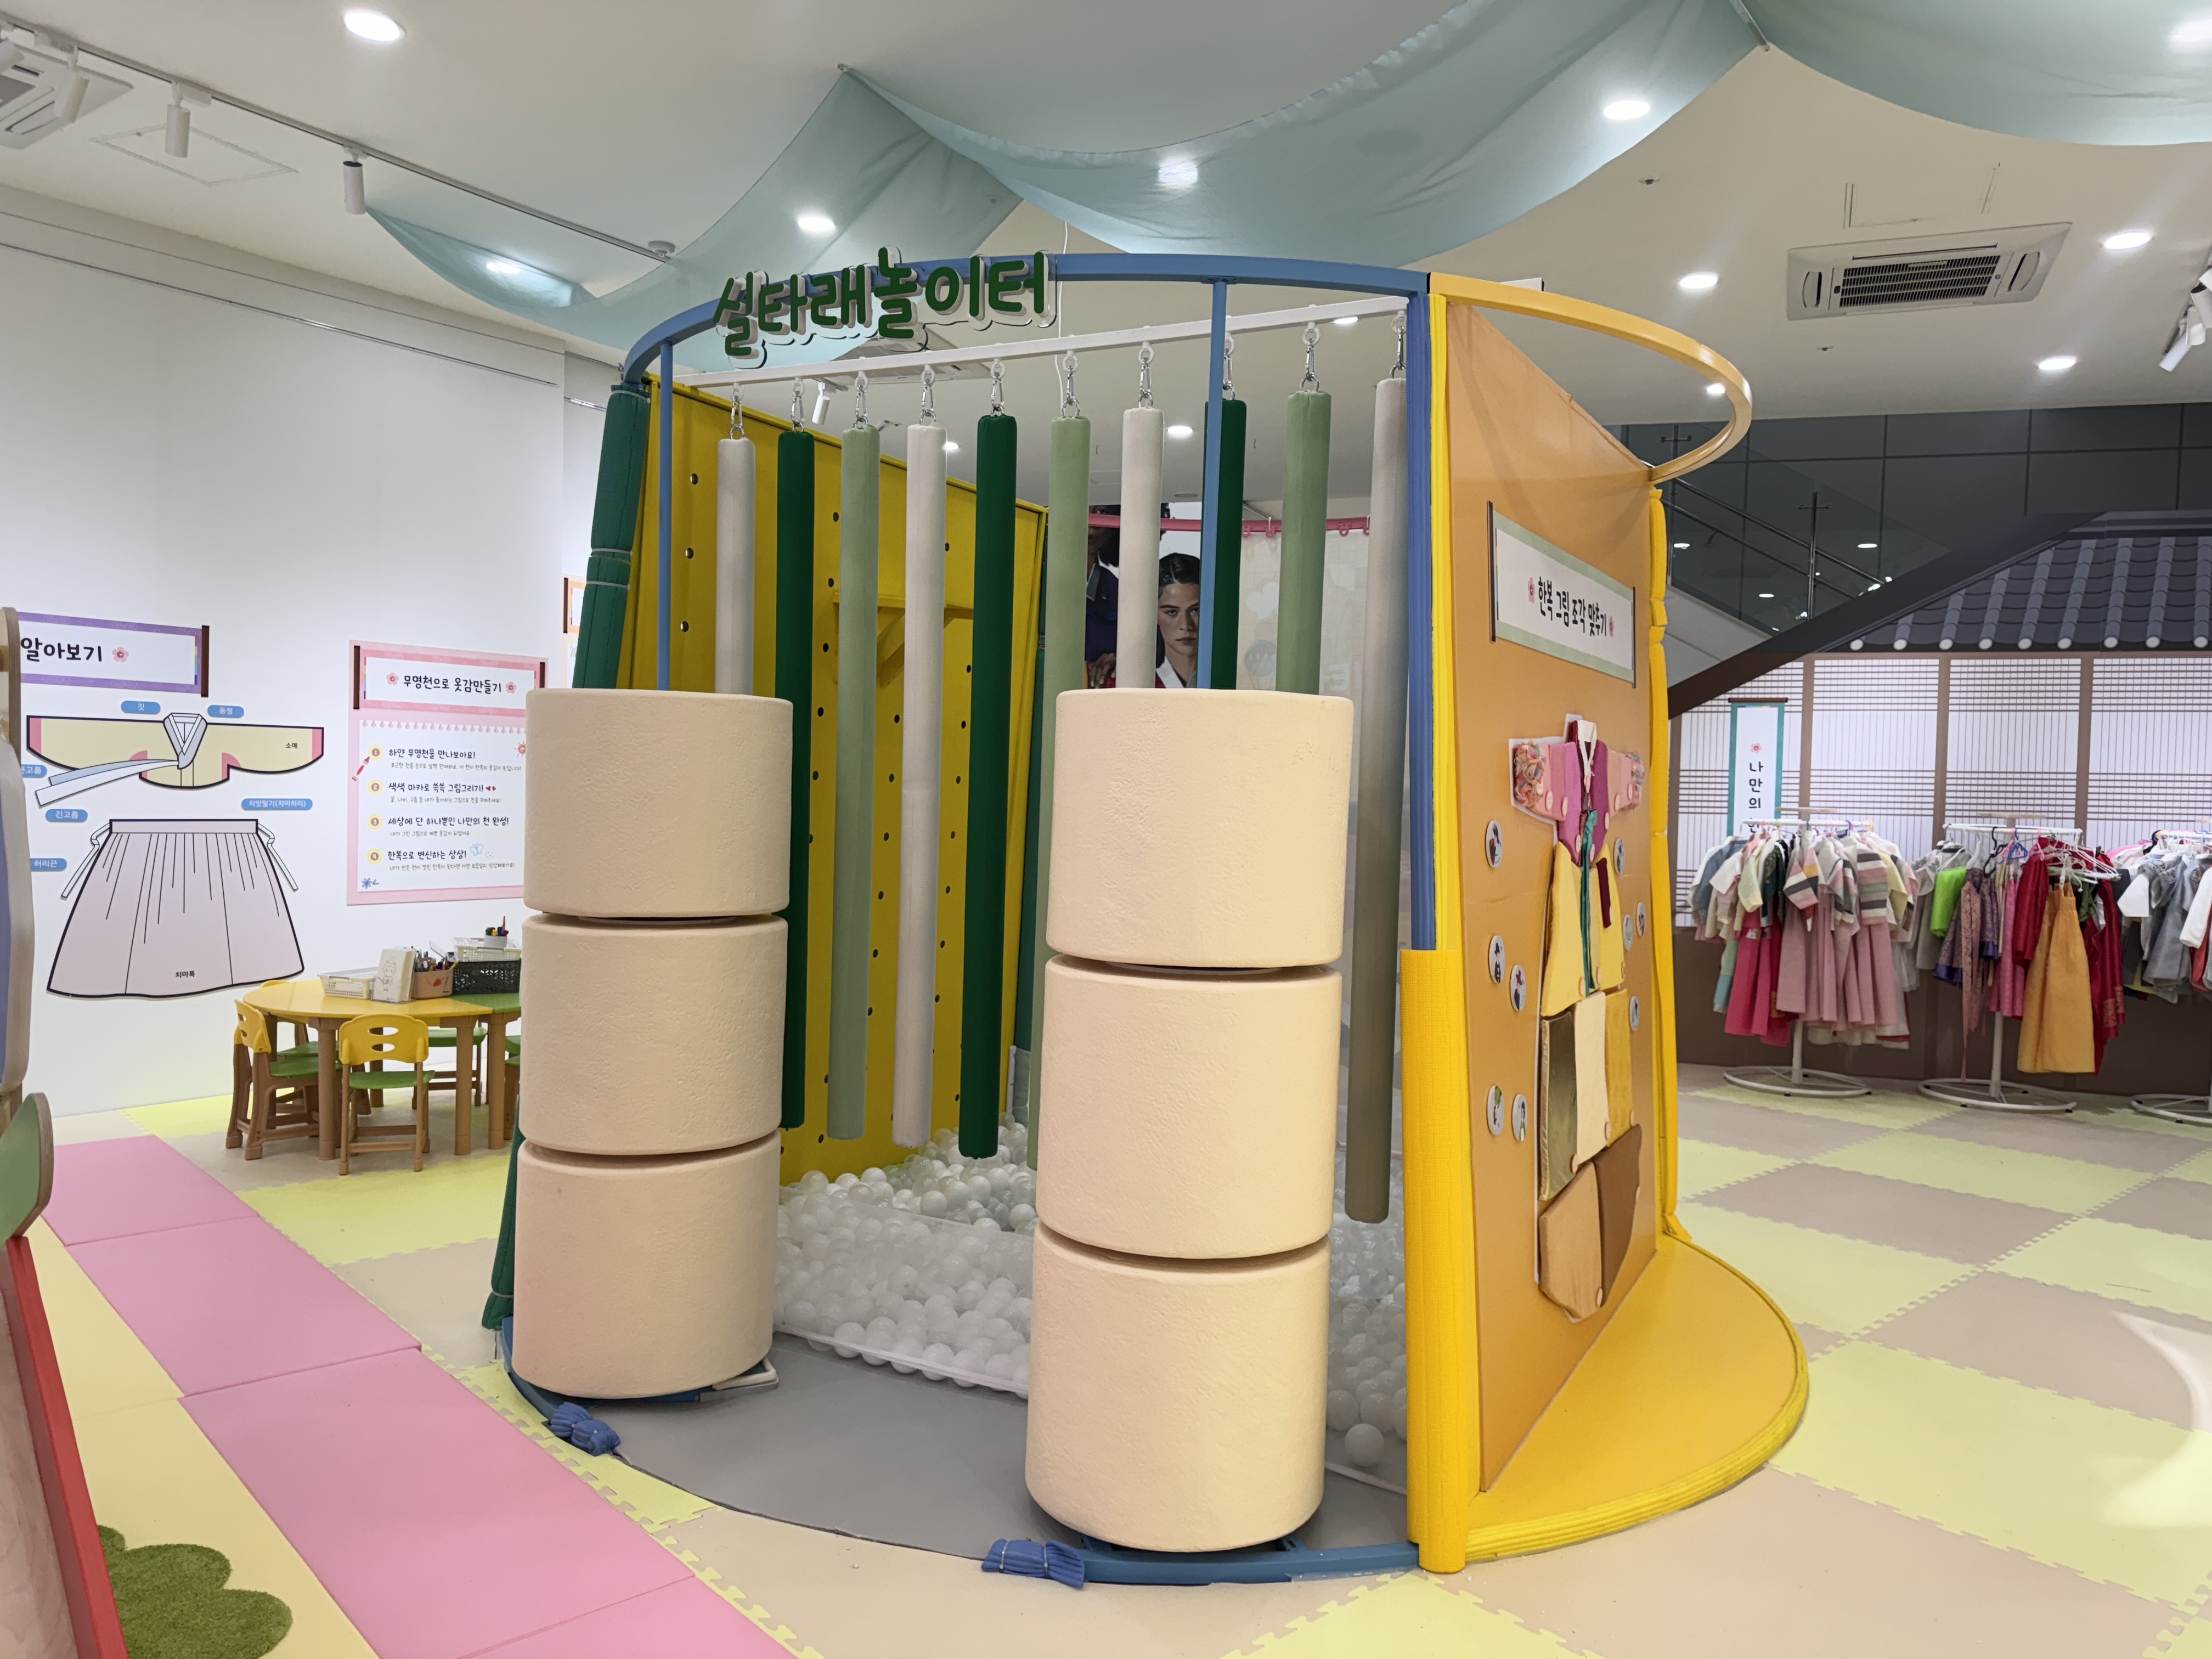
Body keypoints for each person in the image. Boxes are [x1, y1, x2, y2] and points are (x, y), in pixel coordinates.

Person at [1154, 552, 1201, 688]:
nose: (1186, 625)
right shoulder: (1131, 679)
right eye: (1172, 612)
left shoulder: (1235, 677)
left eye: (1196, 610)